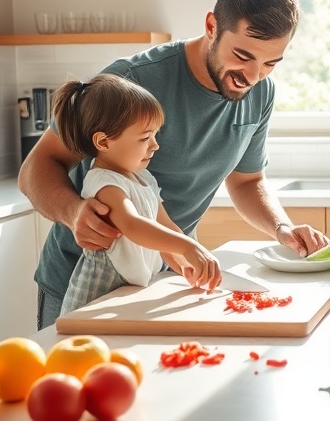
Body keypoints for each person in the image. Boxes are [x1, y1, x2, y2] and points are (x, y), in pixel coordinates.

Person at [19, 0, 330, 330]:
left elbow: (247, 182)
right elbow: (36, 168)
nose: (253, 75)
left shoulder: (260, 92)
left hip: (158, 278)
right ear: (212, 25)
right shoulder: (133, 81)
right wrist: (74, 213)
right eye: (242, 56)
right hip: (80, 282)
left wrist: (281, 228)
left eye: (270, 63)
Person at [50, 74, 222, 315]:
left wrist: (183, 264)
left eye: (154, 135)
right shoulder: (104, 182)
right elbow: (133, 225)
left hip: (127, 293)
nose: (155, 145)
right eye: (144, 138)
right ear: (103, 142)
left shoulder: (144, 177)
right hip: (98, 298)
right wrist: (188, 247)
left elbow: (166, 226)